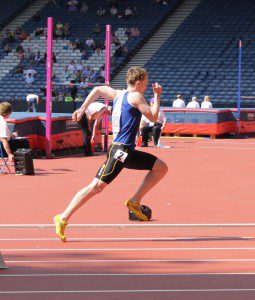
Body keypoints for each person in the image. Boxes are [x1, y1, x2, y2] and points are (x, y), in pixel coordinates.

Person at [53, 66, 168, 242]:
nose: (146, 87)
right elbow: (153, 117)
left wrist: (82, 109)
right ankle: (63, 217)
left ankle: (134, 201)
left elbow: (98, 89)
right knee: (96, 187)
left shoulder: (118, 94)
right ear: (138, 83)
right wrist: (158, 95)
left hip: (126, 150)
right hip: (120, 152)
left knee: (160, 167)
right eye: (145, 84)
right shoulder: (136, 96)